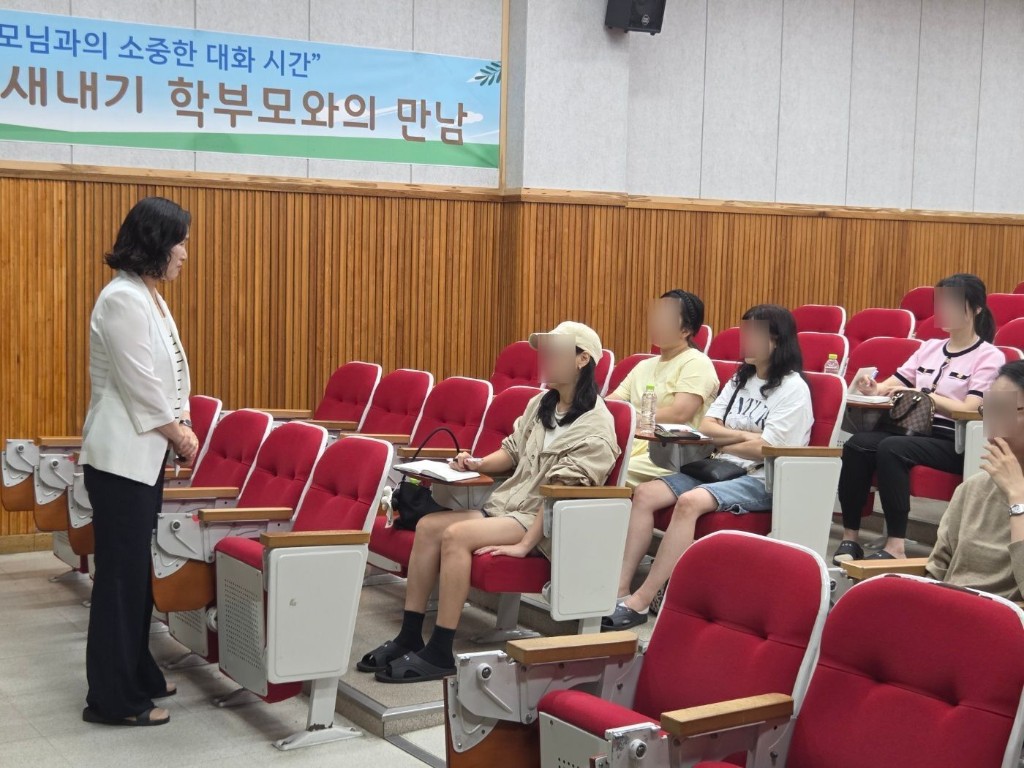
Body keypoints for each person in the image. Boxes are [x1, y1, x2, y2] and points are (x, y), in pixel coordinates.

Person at [358, 322, 619, 683]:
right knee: (429, 526)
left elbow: (560, 499)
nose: (544, 359)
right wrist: (477, 463)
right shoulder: (541, 404)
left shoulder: (596, 428)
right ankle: (409, 635)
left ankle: (440, 651)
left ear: (582, 359)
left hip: (543, 525)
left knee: (457, 535)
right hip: (508, 507)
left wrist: (525, 545)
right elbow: (511, 451)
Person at [604, 305, 811, 630]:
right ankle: (619, 589)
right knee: (645, 494)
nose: (745, 340)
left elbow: (767, 449)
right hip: (721, 466)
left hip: (762, 478)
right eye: (744, 332)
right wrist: (741, 438)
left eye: (754, 333)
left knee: (690, 502)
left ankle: (642, 600)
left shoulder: (793, 388)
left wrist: (726, 441)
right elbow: (708, 426)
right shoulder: (741, 378)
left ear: (777, 339)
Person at [77, 197, 198, 727]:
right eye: (179, 242)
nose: (185, 254)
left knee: (133, 573)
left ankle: (137, 673)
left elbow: (172, 372)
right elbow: (141, 386)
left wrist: (184, 419)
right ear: (155, 243)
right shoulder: (122, 298)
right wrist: (180, 435)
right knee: (119, 579)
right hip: (120, 459)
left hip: (142, 459)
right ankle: (112, 699)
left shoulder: (147, 294)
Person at [833, 274, 1004, 564]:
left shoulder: (990, 356)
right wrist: (873, 387)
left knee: (892, 448)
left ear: (976, 309)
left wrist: (926, 395)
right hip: (913, 431)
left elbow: (972, 408)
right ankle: (850, 538)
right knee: (858, 444)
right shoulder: (929, 347)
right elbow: (891, 384)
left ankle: (896, 546)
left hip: (954, 441)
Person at [924, 360, 1024, 601]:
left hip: (1002, 618)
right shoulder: (973, 488)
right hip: (950, 608)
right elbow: (937, 568)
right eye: (989, 410)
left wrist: (1017, 498)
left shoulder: (1014, 494)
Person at [607, 290, 719, 487]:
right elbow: (612, 403)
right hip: (630, 443)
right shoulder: (644, 365)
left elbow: (679, 414)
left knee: (605, 471)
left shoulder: (697, 363)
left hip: (669, 453)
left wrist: (631, 419)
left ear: (685, 330)